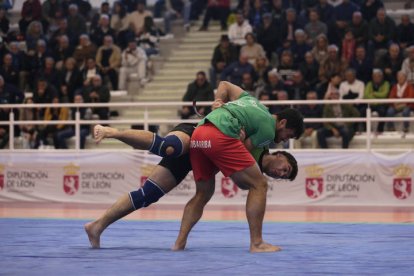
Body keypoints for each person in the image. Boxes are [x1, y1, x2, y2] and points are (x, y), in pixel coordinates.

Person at [85, 85, 303, 250]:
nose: (280, 173)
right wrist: (218, 101)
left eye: (283, 177)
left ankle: (97, 226)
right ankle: (113, 132)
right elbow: (241, 154)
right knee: (169, 147)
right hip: (204, 133)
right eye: (284, 168)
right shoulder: (264, 135)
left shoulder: (252, 107)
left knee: (151, 194)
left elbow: (226, 87)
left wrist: (221, 102)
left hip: (203, 142)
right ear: (280, 153)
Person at [173, 81, 303, 252]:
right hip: (219, 135)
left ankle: (179, 244)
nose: (285, 140)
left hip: (199, 133)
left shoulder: (253, 102)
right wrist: (240, 141)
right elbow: (241, 152)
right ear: (282, 123)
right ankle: (256, 243)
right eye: (289, 135)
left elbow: (224, 84)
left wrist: (218, 100)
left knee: (203, 193)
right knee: (260, 184)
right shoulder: (268, 131)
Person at [386, 71, 414, 136]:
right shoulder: (395, 87)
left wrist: (400, 102)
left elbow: (411, 97)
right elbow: (391, 97)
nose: (400, 78)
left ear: (405, 78)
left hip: (406, 105)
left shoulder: (409, 86)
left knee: (406, 112)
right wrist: (396, 103)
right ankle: (391, 128)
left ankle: (405, 128)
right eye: (399, 77)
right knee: (390, 111)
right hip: (396, 105)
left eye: (402, 77)